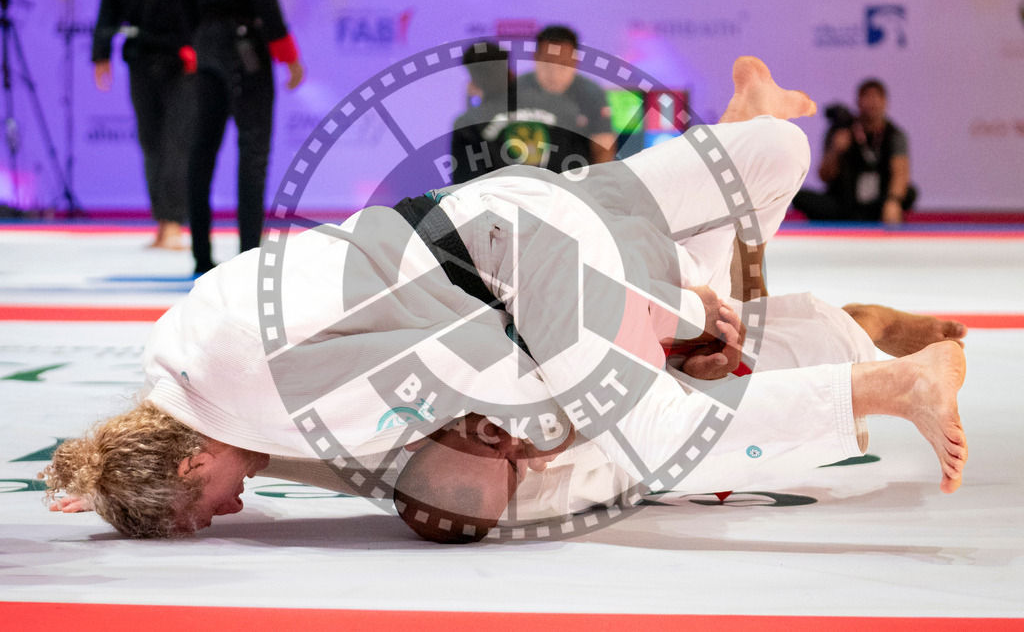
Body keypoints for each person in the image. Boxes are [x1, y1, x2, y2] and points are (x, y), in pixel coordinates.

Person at [44, 58, 968, 543]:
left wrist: (661, 324)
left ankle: (894, 384)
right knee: (775, 160)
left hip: (525, 269)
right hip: (493, 209)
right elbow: (211, 435)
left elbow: (466, 363)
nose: (227, 509)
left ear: (183, 464)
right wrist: (98, 476)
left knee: (657, 428)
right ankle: (748, 124)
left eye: (200, 507)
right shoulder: (182, 344)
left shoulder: (271, 399)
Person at [187, 0, 305, 275]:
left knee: (203, 148)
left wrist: (194, 40)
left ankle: (200, 254)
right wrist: (288, 54)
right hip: (243, 43)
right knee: (253, 149)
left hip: (207, 40)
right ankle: (249, 255)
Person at [92, 0, 197, 250]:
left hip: (184, 59)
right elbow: (110, 1)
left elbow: (206, 3)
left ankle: (174, 220)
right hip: (140, 56)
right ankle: (163, 220)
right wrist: (101, 51)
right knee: (150, 140)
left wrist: (204, 46)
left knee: (178, 139)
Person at [449, 41, 584, 184]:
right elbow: (580, 169)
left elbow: (467, 185)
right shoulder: (560, 106)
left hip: (502, 196)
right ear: (508, 66)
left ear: (473, 78)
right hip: (559, 193)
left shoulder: (468, 123)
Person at [791, 79, 916, 224]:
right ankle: (848, 219)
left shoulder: (894, 135)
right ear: (858, 102)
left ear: (885, 102)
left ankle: (871, 214)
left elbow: (900, 173)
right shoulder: (841, 129)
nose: (872, 102)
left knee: (909, 193)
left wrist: (893, 201)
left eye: (876, 97)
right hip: (844, 201)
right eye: (867, 97)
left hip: (877, 202)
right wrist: (835, 151)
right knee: (799, 196)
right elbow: (824, 176)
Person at [515, 26, 616, 169]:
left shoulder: (592, 94)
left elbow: (603, 149)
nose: (554, 73)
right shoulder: (515, 90)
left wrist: (596, 180)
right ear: (535, 57)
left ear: (575, 60)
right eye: (548, 63)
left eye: (563, 64)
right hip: (523, 177)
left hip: (577, 176)